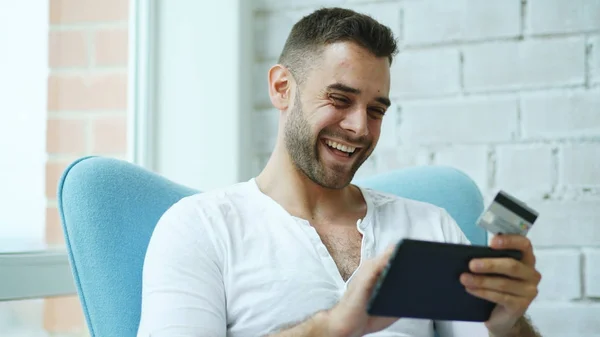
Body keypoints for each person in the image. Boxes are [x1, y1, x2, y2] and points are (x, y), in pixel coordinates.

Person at [136, 7, 542, 337]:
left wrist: (507, 327)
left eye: (376, 110)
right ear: (282, 88)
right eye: (339, 99)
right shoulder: (200, 229)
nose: (360, 128)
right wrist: (329, 328)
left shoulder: (428, 226)